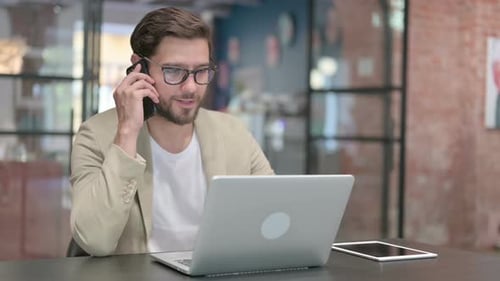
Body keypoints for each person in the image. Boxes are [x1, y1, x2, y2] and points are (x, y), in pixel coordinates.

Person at [69, 7, 274, 257]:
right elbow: (94, 240)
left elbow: (273, 215)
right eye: (174, 71)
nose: (190, 88)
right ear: (139, 68)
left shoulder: (233, 132)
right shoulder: (95, 136)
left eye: (201, 71)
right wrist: (127, 132)